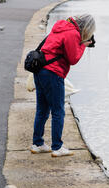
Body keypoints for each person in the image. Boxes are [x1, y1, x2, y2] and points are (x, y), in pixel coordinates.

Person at [31, 14, 96, 157]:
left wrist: (81, 43)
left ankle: (37, 144)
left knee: (42, 109)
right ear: (86, 28)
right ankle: (57, 147)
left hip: (40, 70)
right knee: (58, 111)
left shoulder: (61, 26)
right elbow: (73, 59)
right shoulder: (73, 34)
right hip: (53, 73)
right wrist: (84, 45)